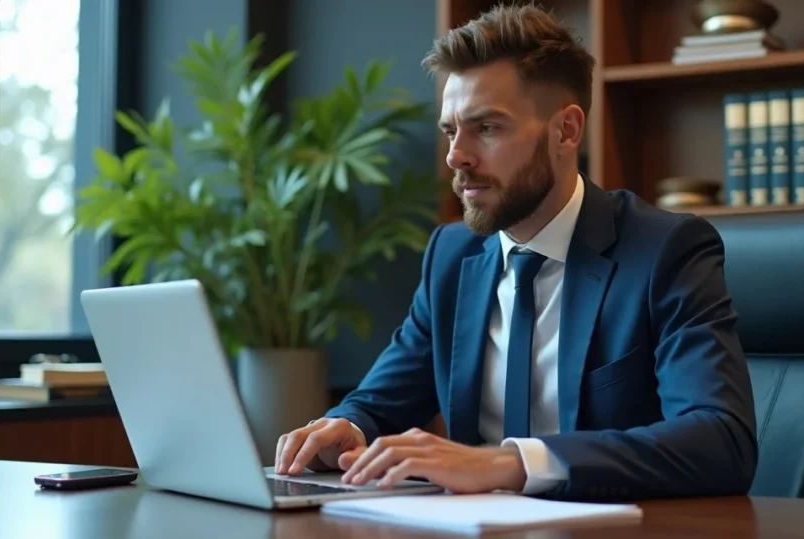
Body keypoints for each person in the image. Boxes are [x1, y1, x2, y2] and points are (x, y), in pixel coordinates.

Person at [273, 3, 758, 502]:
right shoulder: (451, 255)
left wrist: (511, 463)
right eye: (450, 130)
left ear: (566, 131)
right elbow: (380, 403)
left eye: (487, 128)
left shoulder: (665, 252)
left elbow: (722, 441)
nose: (456, 156)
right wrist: (346, 428)